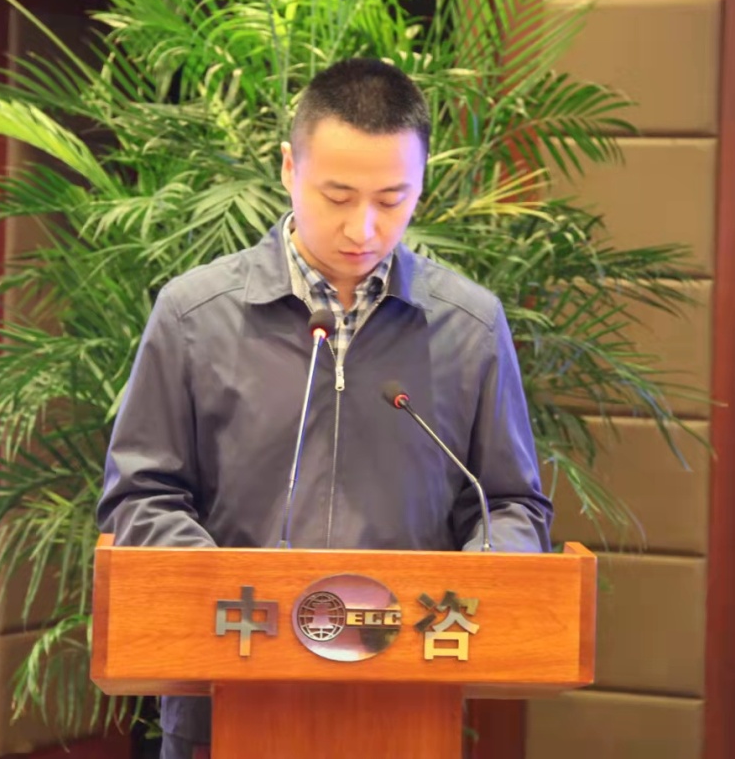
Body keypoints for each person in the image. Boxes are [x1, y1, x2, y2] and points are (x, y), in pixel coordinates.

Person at [96, 57, 553, 759]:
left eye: (392, 199)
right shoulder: (194, 315)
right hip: (226, 704)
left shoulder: (468, 325)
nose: (362, 228)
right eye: (336, 196)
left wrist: (483, 576)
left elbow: (510, 502)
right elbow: (141, 495)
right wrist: (234, 598)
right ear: (289, 168)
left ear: (422, 185)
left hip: (404, 707)